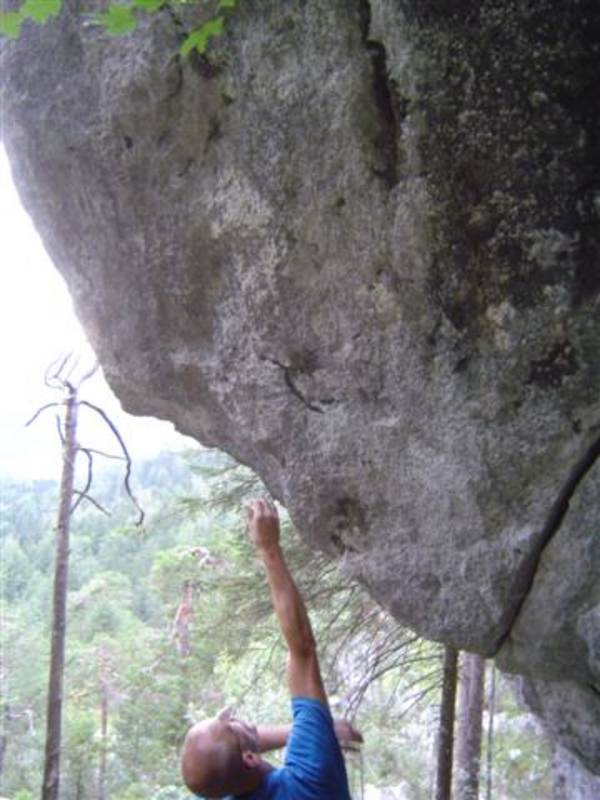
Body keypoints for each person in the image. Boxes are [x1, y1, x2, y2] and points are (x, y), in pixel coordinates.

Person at [181, 498, 362, 799]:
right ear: (250, 758)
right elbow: (302, 649)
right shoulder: (310, 781)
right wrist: (269, 549)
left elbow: (221, 758)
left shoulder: (215, 783)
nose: (231, 718)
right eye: (230, 726)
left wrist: (313, 730)